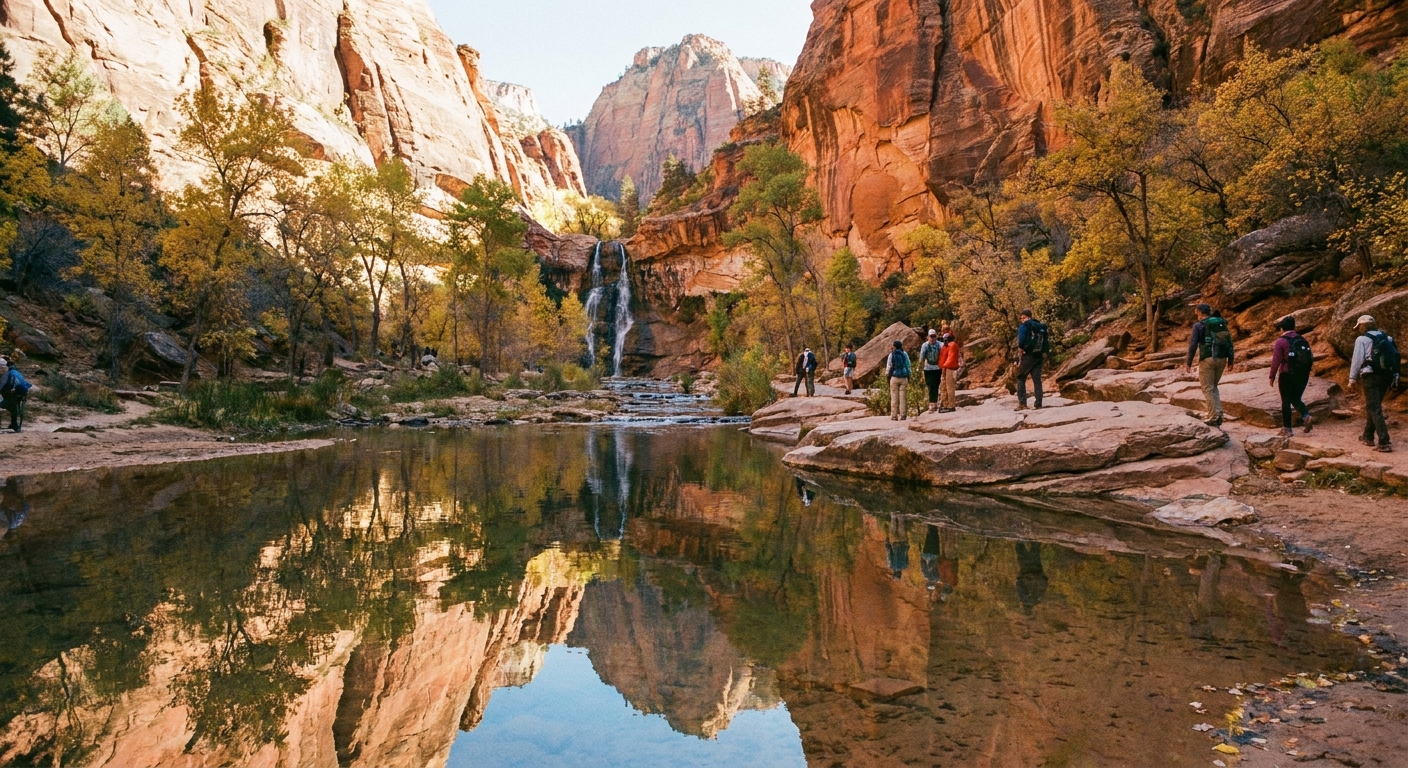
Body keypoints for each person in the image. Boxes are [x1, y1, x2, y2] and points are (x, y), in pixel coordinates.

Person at [1348, 315, 1399, 453]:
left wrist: (1352, 379)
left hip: (1370, 376)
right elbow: (1395, 358)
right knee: (1374, 405)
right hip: (1386, 376)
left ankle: (1384, 442)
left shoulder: (1362, 339)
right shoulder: (1388, 338)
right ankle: (1367, 436)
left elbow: (1357, 360)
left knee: (1374, 407)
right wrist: (1395, 376)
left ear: (1362, 326)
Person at [1186, 303, 1234, 427]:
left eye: (1196, 312)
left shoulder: (1198, 325)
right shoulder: (1220, 323)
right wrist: (1231, 360)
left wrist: (1189, 362)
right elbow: (1229, 341)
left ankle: (1213, 416)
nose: (1195, 314)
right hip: (1222, 359)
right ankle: (1218, 414)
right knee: (1213, 386)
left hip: (1207, 359)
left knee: (1207, 388)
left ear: (1200, 312)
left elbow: (1193, 345)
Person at [1268, 315, 1314, 438]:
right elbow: (1310, 357)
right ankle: (1306, 416)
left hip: (1287, 374)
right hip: (1302, 375)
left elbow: (1276, 360)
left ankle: (1287, 429)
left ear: (1282, 328)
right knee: (1296, 398)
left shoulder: (1281, 341)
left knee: (1286, 401)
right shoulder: (1303, 340)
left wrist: (1272, 376)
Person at [1015, 310, 1048, 411]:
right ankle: (1038, 403)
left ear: (1026, 317)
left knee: (1020, 377)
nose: (1021, 320)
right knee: (1037, 380)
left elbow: (1021, 340)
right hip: (1039, 355)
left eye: (1022, 318)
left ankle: (1022, 403)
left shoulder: (1024, 326)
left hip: (1028, 355)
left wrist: (1020, 351)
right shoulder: (1039, 325)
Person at [0, 359, 31, 433]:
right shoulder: (14, 372)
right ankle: (14, 424)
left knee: (9, 404)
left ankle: (14, 424)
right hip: (19, 395)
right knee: (13, 405)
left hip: (13, 396)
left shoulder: (9, 375)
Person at [884, 339, 912, 421]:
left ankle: (894, 416)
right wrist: (909, 374)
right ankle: (903, 415)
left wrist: (887, 375)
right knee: (903, 397)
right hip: (904, 377)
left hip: (894, 377)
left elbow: (888, 366)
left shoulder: (892, 355)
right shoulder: (904, 354)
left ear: (895, 346)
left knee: (894, 397)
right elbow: (908, 364)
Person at [938, 326, 962, 413]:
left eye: (945, 339)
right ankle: (948, 405)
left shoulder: (952, 345)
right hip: (949, 368)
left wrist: (944, 367)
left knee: (950, 387)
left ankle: (951, 406)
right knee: (947, 388)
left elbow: (951, 359)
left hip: (950, 369)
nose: (944, 341)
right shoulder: (950, 346)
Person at [919, 329, 943, 413]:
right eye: (931, 336)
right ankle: (932, 402)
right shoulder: (925, 345)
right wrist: (919, 367)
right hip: (928, 368)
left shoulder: (940, 345)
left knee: (936, 385)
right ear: (928, 337)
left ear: (936, 336)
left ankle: (933, 404)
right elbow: (921, 357)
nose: (932, 338)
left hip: (937, 367)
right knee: (930, 385)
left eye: (934, 336)